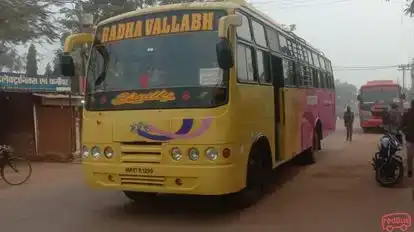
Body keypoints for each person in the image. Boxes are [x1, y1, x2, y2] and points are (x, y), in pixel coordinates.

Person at [401, 100, 414, 177]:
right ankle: (409, 171)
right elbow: (402, 125)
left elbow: (402, 125)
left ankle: (410, 171)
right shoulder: (407, 114)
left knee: (409, 156)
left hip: (409, 138)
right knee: (409, 156)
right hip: (409, 138)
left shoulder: (407, 114)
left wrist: (405, 132)